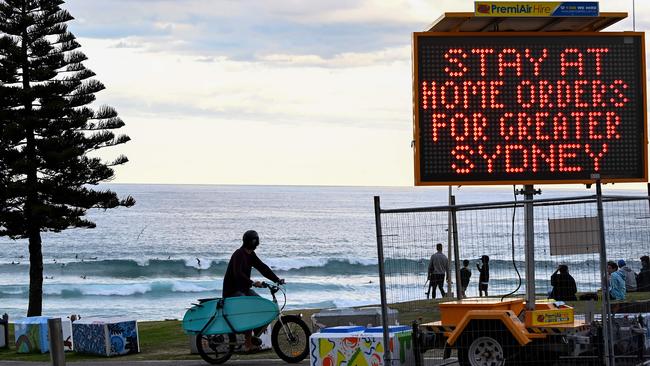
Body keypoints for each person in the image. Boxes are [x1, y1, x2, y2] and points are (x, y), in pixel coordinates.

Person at [223, 230, 284, 352]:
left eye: (256, 240)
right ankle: (248, 343)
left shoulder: (251, 254)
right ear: (248, 241)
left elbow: (263, 268)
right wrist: (252, 283)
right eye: (253, 240)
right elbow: (238, 274)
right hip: (232, 292)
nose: (255, 242)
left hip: (244, 289)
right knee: (249, 308)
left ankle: (254, 335)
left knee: (261, 304)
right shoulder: (239, 254)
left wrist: (276, 279)